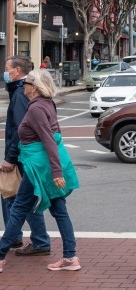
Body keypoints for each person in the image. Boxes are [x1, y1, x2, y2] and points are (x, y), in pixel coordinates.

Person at [0, 69, 81, 273]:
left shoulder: (36, 109)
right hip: (45, 164)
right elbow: (56, 135)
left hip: (40, 166)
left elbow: (48, 140)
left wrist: (56, 172)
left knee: (18, 208)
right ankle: (70, 257)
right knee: (59, 210)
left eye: (26, 83)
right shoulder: (45, 103)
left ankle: (0, 255)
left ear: (34, 87)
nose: (22, 85)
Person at [2, 56, 51, 256]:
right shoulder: (19, 92)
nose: (5, 72)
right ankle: (22, 238)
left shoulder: (21, 94)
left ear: (17, 71)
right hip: (23, 155)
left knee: (16, 197)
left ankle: (35, 240)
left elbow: (21, 130)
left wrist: (11, 157)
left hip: (22, 156)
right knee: (15, 197)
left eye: (7, 68)